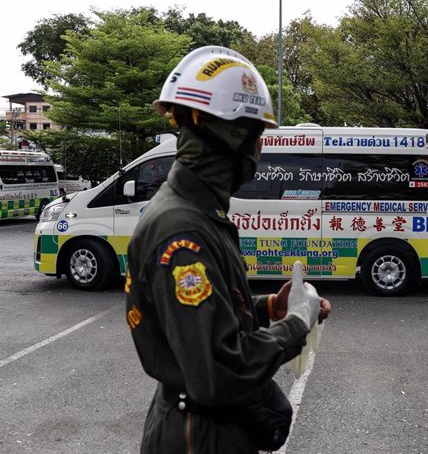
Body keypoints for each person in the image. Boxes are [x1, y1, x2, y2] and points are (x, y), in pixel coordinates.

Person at [125, 46, 331, 454]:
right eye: (256, 137)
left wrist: (269, 306)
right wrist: (296, 323)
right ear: (230, 137)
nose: (259, 150)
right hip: (199, 438)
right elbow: (216, 371)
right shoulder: (181, 231)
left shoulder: (199, 211)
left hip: (208, 428)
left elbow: (200, 321)